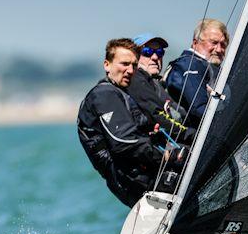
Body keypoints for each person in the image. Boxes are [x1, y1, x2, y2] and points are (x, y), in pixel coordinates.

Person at [77, 38, 184, 207]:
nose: (130, 70)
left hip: (141, 172)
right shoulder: (104, 95)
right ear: (107, 65)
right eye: (124, 64)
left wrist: (151, 133)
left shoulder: (120, 93)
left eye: (134, 65)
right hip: (130, 180)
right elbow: (124, 142)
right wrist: (163, 157)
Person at [128, 33, 191, 143]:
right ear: (134, 56)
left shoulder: (158, 83)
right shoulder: (136, 79)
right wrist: (192, 134)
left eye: (159, 52)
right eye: (147, 52)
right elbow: (157, 116)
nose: (155, 57)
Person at [166, 18, 229, 127]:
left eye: (223, 45)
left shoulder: (208, 67)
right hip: (187, 140)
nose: (219, 49)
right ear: (195, 43)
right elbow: (199, 107)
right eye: (214, 42)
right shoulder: (190, 64)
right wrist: (229, 124)